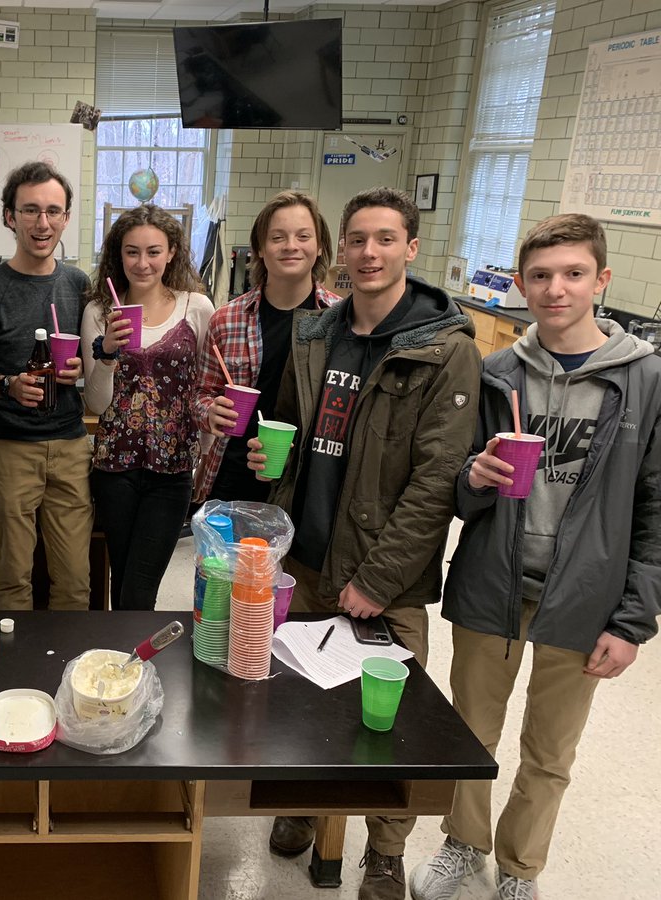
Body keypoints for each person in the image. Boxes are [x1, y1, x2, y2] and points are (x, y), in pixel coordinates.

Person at [410, 214, 661, 900]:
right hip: (492, 581)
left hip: (585, 598)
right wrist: (473, 478)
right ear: (521, 285)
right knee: (469, 734)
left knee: (551, 752)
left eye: (574, 274)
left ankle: (521, 869)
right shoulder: (496, 373)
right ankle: (463, 843)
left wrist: (633, 621)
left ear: (601, 280)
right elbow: (454, 488)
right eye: (542, 276)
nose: (556, 290)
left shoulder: (645, 380)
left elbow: (655, 509)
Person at [260, 186, 482, 900]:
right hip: (307, 558)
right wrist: (276, 466)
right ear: (340, 249)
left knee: (388, 723)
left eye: (385, 239)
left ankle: (383, 851)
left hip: (384, 575)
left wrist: (379, 580)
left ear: (411, 249)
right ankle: (304, 804)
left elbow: (436, 482)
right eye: (357, 239)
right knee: (299, 703)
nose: (369, 253)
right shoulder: (317, 333)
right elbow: (295, 435)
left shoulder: (445, 351)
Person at [0, 161, 91, 611]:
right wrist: (9, 385)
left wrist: (81, 371)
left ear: (67, 217)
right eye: (31, 210)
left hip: (71, 445)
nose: (43, 222)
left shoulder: (78, 284)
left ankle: (74, 677)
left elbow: (96, 362)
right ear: (9, 216)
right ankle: (15, 674)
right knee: (12, 577)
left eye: (54, 211)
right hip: (9, 448)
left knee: (74, 580)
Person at [80, 205, 213, 610]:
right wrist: (106, 354)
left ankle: (129, 666)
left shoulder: (197, 307)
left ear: (171, 252)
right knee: (121, 576)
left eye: (153, 251)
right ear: (118, 256)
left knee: (140, 585)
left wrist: (206, 458)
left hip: (173, 470)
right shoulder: (100, 311)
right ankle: (123, 666)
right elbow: (97, 403)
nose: (142, 263)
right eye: (131, 252)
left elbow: (206, 390)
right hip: (114, 467)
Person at [192, 190, 340, 503]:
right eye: (277, 237)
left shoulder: (341, 323)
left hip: (309, 482)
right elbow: (200, 395)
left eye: (303, 236)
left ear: (320, 245)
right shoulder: (227, 319)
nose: (290, 246)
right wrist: (211, 413)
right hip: (232, 477)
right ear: (260, 247)